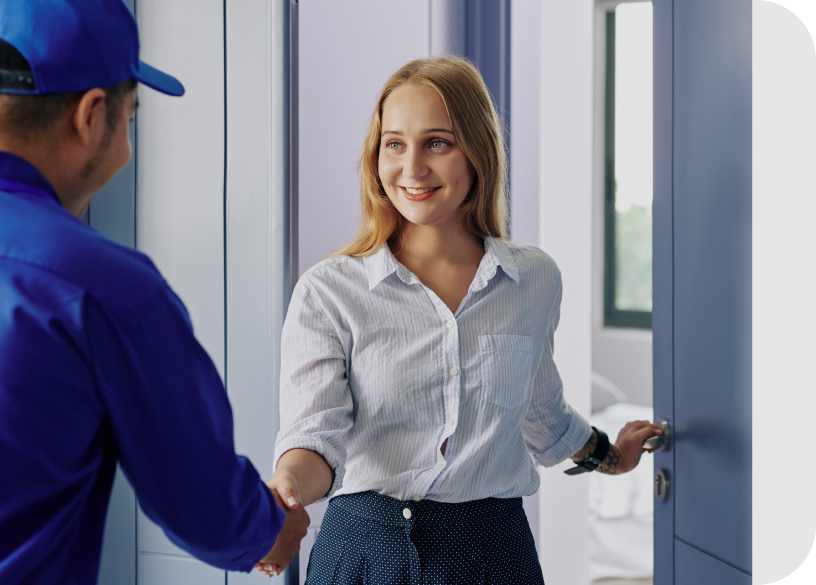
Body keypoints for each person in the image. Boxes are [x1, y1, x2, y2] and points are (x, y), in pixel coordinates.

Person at [0, 0, 306, 582]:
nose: (125, 146)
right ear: (90, 114)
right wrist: (274, 531)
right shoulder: (104, 288)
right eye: (130, 119)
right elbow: (209, 512)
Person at [260, 56, 663, 583]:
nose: (412, 168)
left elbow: (542, 416)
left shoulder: (534, 281)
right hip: (361, 555)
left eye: (437, 143)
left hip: (495, 556)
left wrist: (613, 457)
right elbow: (315, 437)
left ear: (477, 150)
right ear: (375, 157)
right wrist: (285, 488)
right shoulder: (328, 291)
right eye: (395, 144)